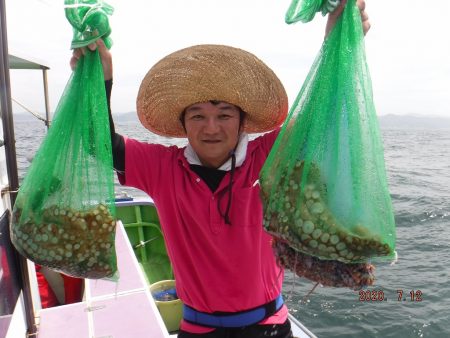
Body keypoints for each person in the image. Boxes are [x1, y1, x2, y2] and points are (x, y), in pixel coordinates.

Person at [71, 1, 370, 337]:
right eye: (197, 115)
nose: (211, 128)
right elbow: (99, 144)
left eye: (225, 114)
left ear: (243, 122)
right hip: (197, 328)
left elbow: (323, 114)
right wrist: (101, 76)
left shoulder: (270, 155)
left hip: (270, 327)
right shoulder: (162, 168)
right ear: (183, 124)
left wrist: (338, 41)